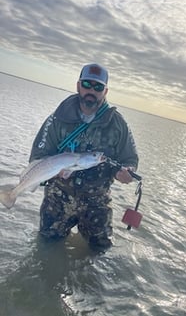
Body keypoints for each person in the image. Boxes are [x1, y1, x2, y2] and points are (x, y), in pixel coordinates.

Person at [29, 63, 139, 253]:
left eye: (98, 87)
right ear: (78, 85)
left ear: (105, 91)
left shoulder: (118, 124)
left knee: (100, 254)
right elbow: (38, 156)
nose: (91, 91)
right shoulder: (57, 118)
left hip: (97, 203)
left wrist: (128, 172)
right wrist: (53, 173)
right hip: (58, 199)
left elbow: (130, 159)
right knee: (45, 249)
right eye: (87, 84)